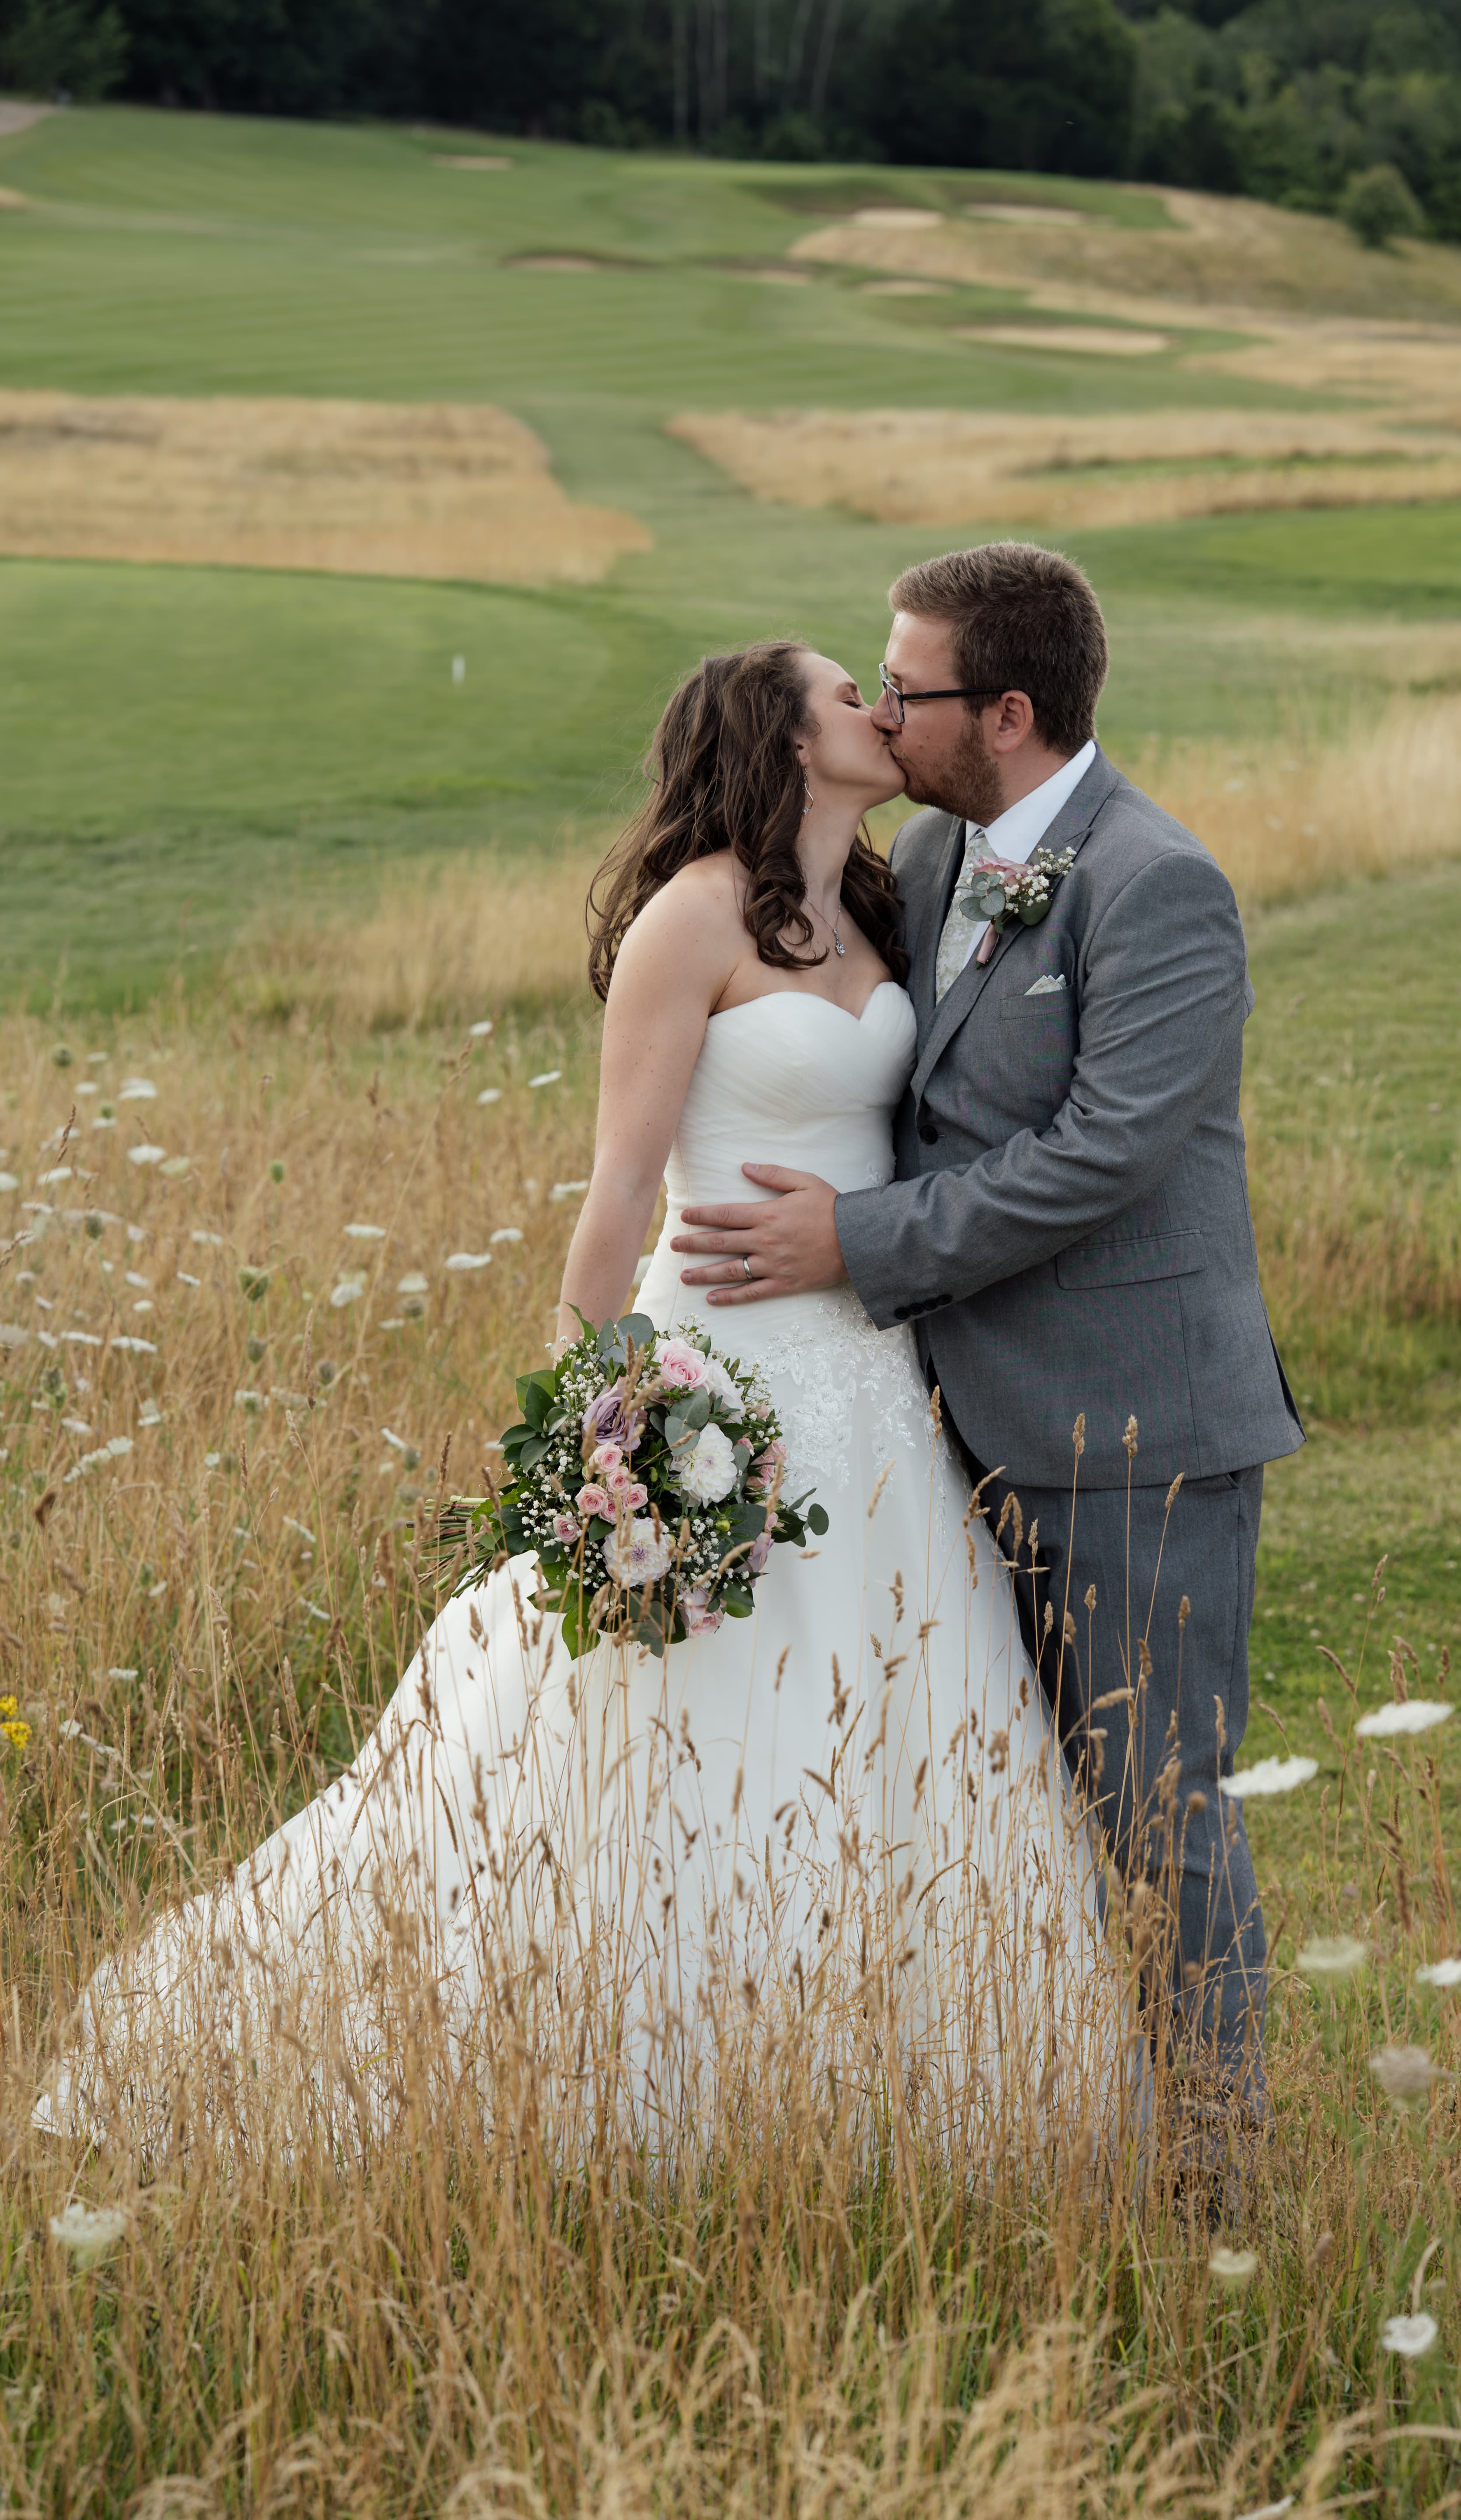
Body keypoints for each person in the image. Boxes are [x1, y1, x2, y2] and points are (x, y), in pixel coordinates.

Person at [35, 640, 1118, 2159]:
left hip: (875, 1392)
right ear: (785, 740)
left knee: (898, 1714)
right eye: (842, 691)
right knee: (650, 1739)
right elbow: (616, 1192)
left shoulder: (890, 901)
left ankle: (884, 2088)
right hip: (719, 1377)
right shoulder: (693, 920)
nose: (878, 708)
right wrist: (592, 1427)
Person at [670, 545, 1304, 2149]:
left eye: (911, 685)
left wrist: (853, 1245)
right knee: (1000, 1807)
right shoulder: (945, 863)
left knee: (1156, 1809)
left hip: (1135, 1436)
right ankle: (1025, 2119)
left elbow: (1104, 1154)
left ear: (1005, 711)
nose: (884, 707)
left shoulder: (1157, 883)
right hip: (944, 1432)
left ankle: (1221, 2170)